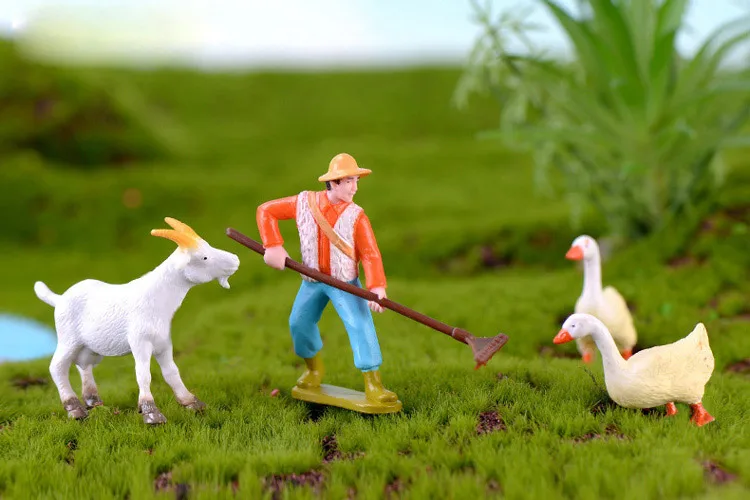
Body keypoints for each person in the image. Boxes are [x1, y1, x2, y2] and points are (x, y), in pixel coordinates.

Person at [256, 153, 397, 404]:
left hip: (345, 284)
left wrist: (377, 286)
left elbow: (370, 253)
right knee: (298, 323)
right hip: (311, 282)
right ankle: (313, 369)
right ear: (333, 183)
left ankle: (373, 383)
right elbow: (266, 211)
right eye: (349, 181)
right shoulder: (304, 203)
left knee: (359, 324)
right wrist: (273, 245)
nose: (354, 188)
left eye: (356, 181)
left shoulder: (357, 216)